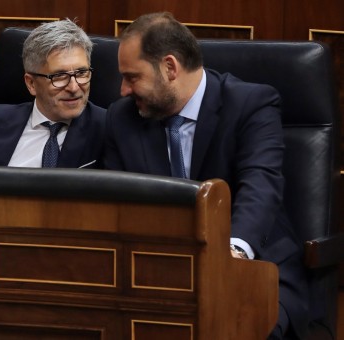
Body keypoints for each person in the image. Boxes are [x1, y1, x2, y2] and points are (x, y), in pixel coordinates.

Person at [102, 12, 308, 339]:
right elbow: (114, 202)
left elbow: (261, 186)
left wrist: (231, 255)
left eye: (132, 77)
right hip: (157, 271)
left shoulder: (250, 104)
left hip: (254, 265)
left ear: (170, 67)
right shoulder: (122, 118)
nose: (123, 90)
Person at [0, 19, 105, 168]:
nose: (74, 87)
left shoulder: (108, 128)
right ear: (31, 83)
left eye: (82, 73)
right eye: (59, 76)